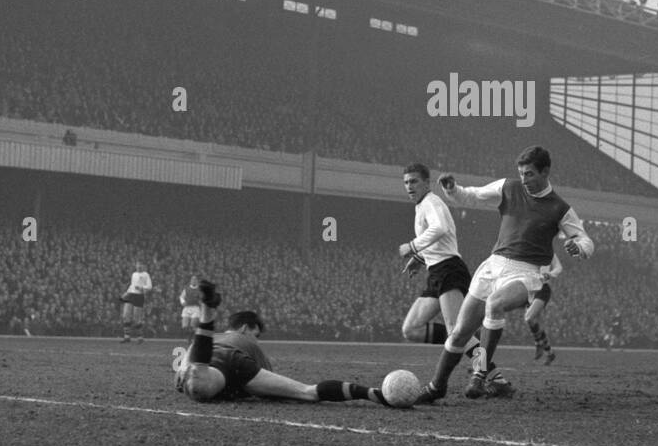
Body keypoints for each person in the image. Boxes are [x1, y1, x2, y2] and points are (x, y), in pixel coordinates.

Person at [417, 145, 594, 403]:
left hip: (525, 272)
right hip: (493, 266)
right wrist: (453, 190)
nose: (524, 179)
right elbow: (472, 197)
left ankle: (479, 372)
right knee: (459, 332)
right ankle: (437, 387)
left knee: (495, 304)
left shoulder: (560, 208)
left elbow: (586, 240)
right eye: (521, 173)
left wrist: (578, 246)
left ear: (545, 172)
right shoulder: (509, 188)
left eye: (530, 174)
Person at [174, 280, 388, 405]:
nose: (256, 341)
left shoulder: (215, 339)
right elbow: (268, 389)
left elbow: (188, 360)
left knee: (196, 380)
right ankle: (372, 393)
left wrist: (185, 371)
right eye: (256, 335)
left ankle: (206, 317)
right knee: (308, 392)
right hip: (232, 363)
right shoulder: (247, 344)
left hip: (200, 355)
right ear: (244, 328)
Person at [397, 164, 478, 363]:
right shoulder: (422, 205)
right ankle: (470, 343)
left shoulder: (431, 202)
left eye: (414, 181)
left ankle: (491, 373)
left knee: (456, 331)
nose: (409, 186)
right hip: (436, 272)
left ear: (427, 183)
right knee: (411, 329)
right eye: (406, 182)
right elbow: (441, 240)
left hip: (448, 269)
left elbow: (440, 228)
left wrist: (413, 246)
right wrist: (420, 258)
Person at [525, 252, 561, 364]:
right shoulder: (528, 250)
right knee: (535, 323)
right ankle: (550, 353)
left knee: (529, 317)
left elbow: (558, 268)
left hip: (542, 288)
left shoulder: (549, 252)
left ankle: (538, 344)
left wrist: (549, 274)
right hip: (530, 289)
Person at [120, 261, 153, 341]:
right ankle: (127, 336)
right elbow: (132, 285)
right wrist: (126, 293)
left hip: (139, 296)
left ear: (143, 266)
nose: (138, 266)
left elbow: (149, 286)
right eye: (137, 264)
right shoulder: (134, 274)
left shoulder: (146, 274)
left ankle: (140, 337)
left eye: (140, 265)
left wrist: (142, 288)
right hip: (131, 294)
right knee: (125, 315)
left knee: (136, 318)